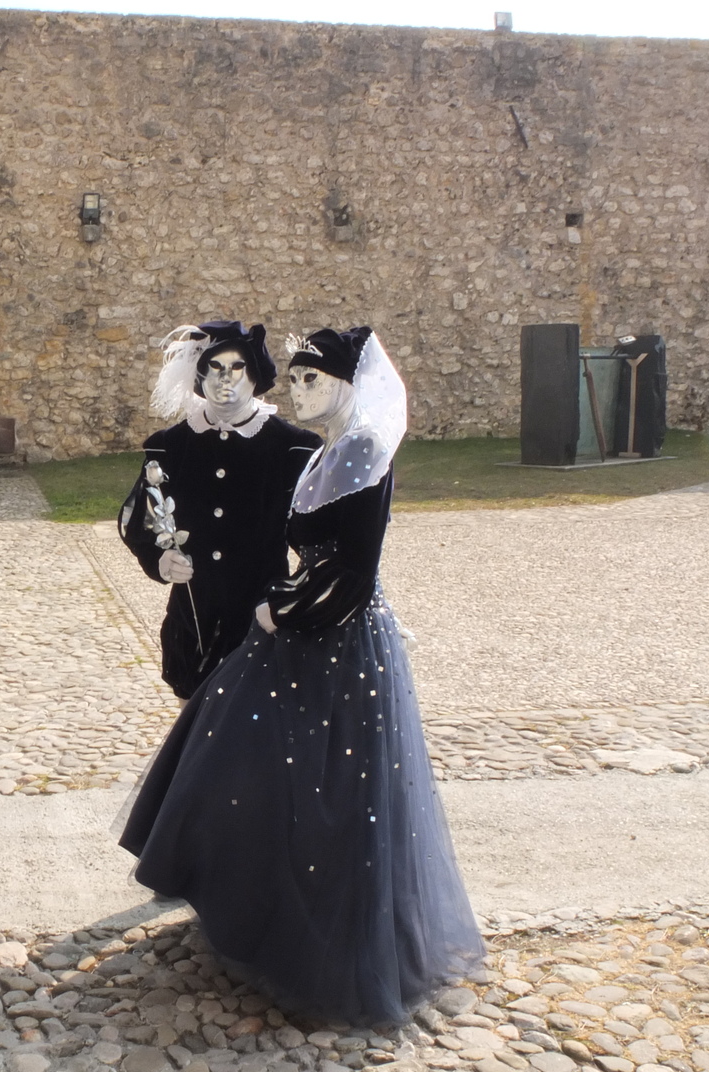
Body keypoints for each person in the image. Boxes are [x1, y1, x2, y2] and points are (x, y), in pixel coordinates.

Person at [118, 326, 484, 1027]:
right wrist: (159, 557)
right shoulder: (303, 451)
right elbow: (142, 514)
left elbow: (353, 569)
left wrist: (281, 610)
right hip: (253, 627)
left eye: (310, 378)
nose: (297, 390)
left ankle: (313, 934)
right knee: (242, 762)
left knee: (313, 784)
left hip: (311, 637)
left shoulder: (323, 450)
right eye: (298, 379)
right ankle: (248, 895)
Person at [118, 320, 322, 699]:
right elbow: (138, 516)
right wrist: (159, 558)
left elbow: (317, 538)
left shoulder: (291, 448)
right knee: (192, 732)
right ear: (198, 377)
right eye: (213, 368)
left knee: (252, 736)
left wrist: (297, 600)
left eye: (236, 368)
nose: (224, 379)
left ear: (256, 375)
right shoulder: (172, 446)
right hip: (193, 620)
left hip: (260, 618)